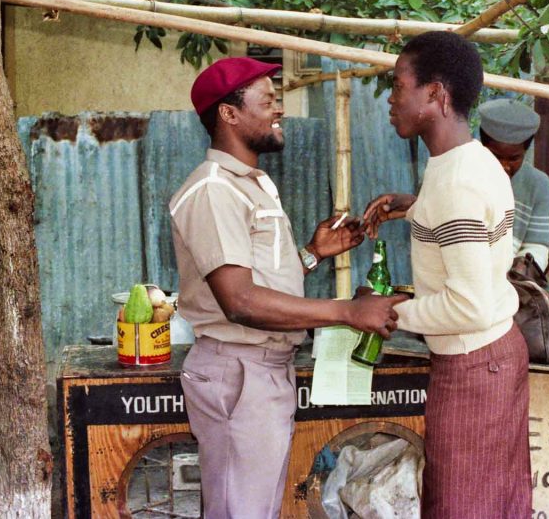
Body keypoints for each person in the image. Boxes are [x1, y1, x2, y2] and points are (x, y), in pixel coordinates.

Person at [169, 57, 408, 518]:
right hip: (240, 371)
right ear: (229, 113)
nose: (279, 110)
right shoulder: (214, 190)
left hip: (260, 371)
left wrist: (313, 254)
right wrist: (346, 312)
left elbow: (254, 279)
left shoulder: (252, 184)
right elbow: (239, 301)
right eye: (268, 101)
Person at [363, 32, 531, 517]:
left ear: (435, 94)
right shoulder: (468, 160)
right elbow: (466, 226)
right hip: (491, 355)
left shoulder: (457, 181)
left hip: (474, 364)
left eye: (399, 86)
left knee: (461, 506)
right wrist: (416, 208)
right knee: (490, 503)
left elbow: (467, 306)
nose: (391, 99)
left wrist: (386, 312)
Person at [479, 98, 549, 269]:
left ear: (525, 152)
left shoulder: (539, 185)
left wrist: (519, 272)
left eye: (514, 158)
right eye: (496, 156)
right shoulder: (463, 174)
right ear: (483, 145)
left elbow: (537, 247)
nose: (504, 166)